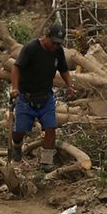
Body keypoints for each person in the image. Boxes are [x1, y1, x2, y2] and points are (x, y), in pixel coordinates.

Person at [9, 23, 73, 168]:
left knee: (50, 129)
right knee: (20, 130)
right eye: (54, 42)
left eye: (59, 43)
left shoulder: (58, 52)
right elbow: (16, 67)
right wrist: (14, 88)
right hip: (26, 96)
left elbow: (63, 69)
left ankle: (46, 162)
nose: (55, 46)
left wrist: (70, 85)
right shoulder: (31, 48)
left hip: (46, 96)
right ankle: (17, 145)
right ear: (47, 37)